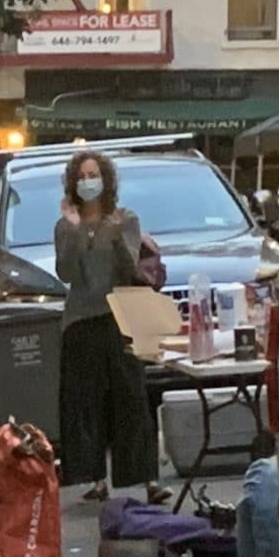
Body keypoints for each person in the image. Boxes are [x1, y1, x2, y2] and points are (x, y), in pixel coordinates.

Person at [54, 150, 164, 504]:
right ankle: (95, 478)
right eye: (82, 176)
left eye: (94, 174)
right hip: (82, 320)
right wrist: (74, 231)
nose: (89, 182)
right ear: (73, 183)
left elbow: (129, 266)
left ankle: (145, 478)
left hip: (120, 316)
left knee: (131, 397)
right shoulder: (65, 226)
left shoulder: (125, 219)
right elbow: (67, 273)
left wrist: (115, 236)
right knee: (86, 401)